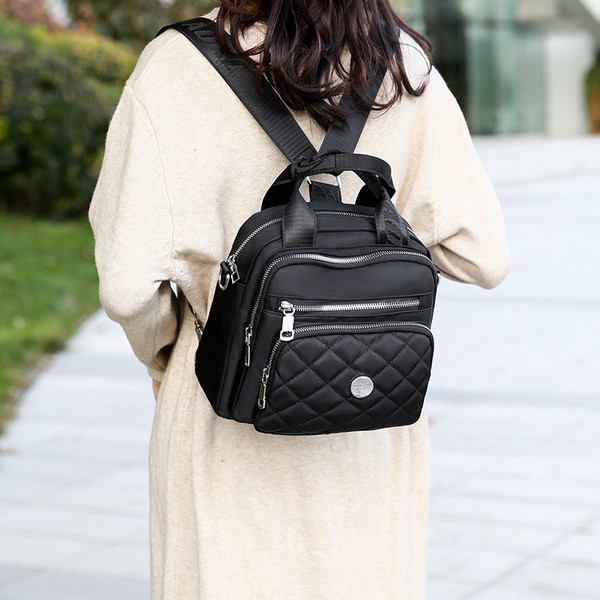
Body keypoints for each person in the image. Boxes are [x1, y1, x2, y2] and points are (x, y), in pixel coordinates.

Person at [89, 1, 510, 598]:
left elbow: (127, 285)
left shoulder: (175, 68)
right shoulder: (402, 66)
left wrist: (163, 357)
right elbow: (482, 255)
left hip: (223, 410)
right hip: (369, 416)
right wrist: (368, 257)